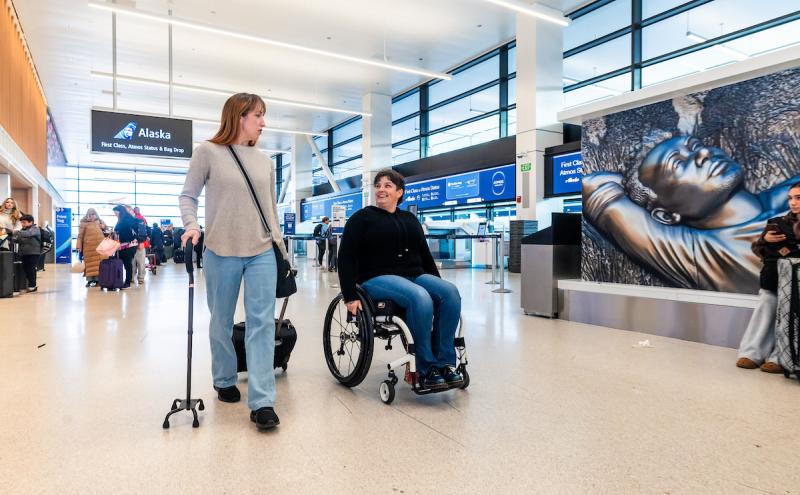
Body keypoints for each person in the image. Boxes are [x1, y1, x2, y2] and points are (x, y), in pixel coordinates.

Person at [179, 92, 288, 431]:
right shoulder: (207, 152)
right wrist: (191, 226)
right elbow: (188, 195)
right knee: (221, 322)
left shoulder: (265, 161)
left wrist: (281, 248)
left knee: (262, 324)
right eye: (258, 115)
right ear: (239, 116)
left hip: (261, 252)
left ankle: (262, 401)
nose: (263, 122)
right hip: (220, 250)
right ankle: (224, 377)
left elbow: (270, 207)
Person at [583, 135, 800, 293]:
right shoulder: (704, 254)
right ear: (667, 215)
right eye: (678, 163)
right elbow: (596, 190)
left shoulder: (792, 193)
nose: (703, 153)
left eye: (696, 145)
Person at [337, 169, 464, 390]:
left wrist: (438, 286)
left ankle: (445, 364)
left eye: (387, 186)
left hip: (415, 275)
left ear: (399, 192)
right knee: (419, 297)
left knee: (449, 292)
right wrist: (349, 294)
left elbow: (425, 255)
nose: (381, 189)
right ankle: (425, 368)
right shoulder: (362, 218)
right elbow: (345, 256)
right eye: (378, 185)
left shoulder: (409, 219)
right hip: (376, 278)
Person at [735, 183, 800, 373]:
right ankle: (751, 353)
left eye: (798, 198)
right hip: (774, 276)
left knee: (791, 317)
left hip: (796, 284)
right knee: (765, 306)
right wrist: (764, 240)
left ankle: (781, 357)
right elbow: (758, 249)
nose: (793, 203)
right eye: (790, 198)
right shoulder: (779, 222)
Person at [76, 208, 107, 287]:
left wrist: (103, 226)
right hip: (89, 247)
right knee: (90, 264)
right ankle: (90, 280)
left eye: (93, 214)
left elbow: (106, 228)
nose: (92, 216)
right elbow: (80, 236)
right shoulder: (83, 223)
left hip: (100, 247)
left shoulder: (99, 221)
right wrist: (78, 246)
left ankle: (98, 280)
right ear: (87, 215)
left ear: (96, 214)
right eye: (90, 214)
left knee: (99, 264)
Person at [113, 205, 138, 289]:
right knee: (127, 263)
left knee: (127, 264)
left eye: (115, 212)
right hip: (128, 245)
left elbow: (119, 229)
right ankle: (126, 281)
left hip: (128, 245)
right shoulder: (127, 218)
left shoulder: (125, 219)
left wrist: (116, 231)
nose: (115, 214)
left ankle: (127, 282)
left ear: (120, 211)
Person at [14, 214, 41, 292]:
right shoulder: (22, 230)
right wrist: (14, 237)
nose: (22, 224)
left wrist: (16, 232)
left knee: (31, 269)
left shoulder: (35, 229)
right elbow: (18, 240)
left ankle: (32, 286)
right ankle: (30, 285)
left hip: (33, 253)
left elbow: (28, 234)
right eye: (22, 222)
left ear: (31, 222)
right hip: (23, 253)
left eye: (24, 222)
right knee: (26, 269)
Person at [132, 206, 149, 284]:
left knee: (137, 262)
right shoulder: (142, 219)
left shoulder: (140, 219)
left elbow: (144, 232)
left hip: (137, 244)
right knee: (139, 262)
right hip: (137, 244)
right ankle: (139, 278)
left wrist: (142, 242)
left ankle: (135, 278)